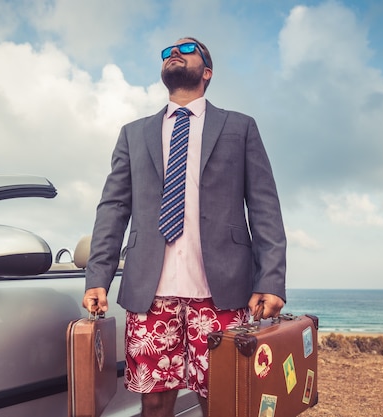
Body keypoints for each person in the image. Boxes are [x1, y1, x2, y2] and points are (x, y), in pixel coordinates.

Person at [83, 37, 287, 417]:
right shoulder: (133, 133)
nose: (174, 53)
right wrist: (99, 275)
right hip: (150, 292)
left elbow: (264, 207)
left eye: (188, 49)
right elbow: (113, 208)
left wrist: (270, 280)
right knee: (154, 402)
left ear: (207, 72)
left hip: (221, 290)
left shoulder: (240, 128)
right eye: (167, 52)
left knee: (223, 399)